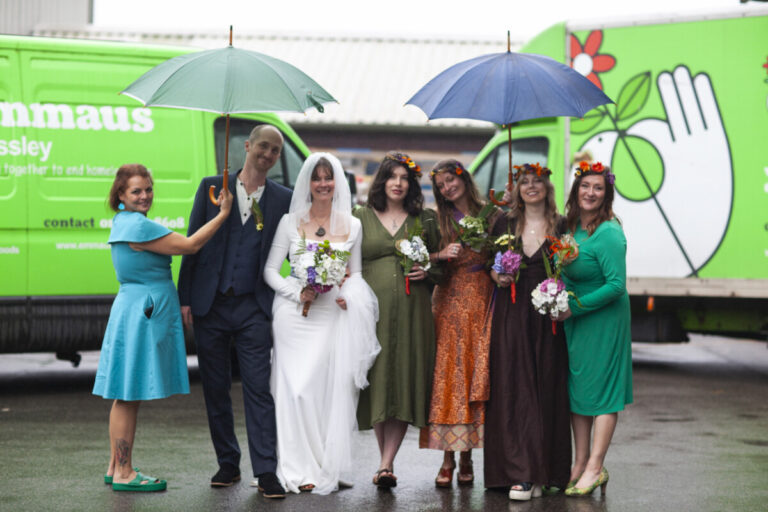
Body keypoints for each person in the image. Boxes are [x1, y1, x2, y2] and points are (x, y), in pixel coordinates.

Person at [94, 163, 232, 491]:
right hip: (142, 312)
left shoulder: (124, 221)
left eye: (148, 189)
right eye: (136, 191)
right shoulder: (139, 228)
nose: (144, 196)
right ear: (121, 196)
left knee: (124, 393)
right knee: (128, 394)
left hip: (132, 308)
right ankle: (125, 473)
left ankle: (117, 467)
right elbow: (191, 245)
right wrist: (223, 213)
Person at [177, 124, 291, 498]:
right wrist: (185, 297)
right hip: (210, 303)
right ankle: (228, 462)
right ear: (246, 146)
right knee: (215, 388)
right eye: (263, 146)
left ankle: (266, 470)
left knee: (259, 388)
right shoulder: (213, 186)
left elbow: (296, 246)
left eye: (275, 150)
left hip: (254, 307)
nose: (268, 154)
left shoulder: (283, 198)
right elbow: (193, 240)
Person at [264, 152, 380, 494]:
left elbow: (355, 274)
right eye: (317, 178)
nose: (323, 184)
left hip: (330, 314)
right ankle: (295, 467)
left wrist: (346, 291)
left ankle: (321, 463)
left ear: (338, 182)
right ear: (307, 183)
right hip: (291, 316)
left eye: (329, 177)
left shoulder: (353, 224)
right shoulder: (290, 221)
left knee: (322, 392)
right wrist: (296, 292)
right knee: (294, 391)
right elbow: (271, 270)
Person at [484, 163, 571, 500]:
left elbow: (571, 265)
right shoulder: (504, 222)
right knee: (513, 385)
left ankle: (544, 471)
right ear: (517, 188)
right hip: (512, 310)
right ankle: (517, 471)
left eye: (537, 181)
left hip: (547, 314)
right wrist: (498, 276)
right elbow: (489, 265)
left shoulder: (561, 225)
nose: (531, 186)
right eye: (525, 182)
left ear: (547, 188)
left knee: (546, 384)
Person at [354, 152, 441, 488]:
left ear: (411, 184)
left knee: (403, 380)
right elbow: (345, 258)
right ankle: (384, 460)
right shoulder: (359, 216)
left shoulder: (425, 220)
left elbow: (443, 267)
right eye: (392, 177)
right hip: (370, 314)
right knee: (378, 381)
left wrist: (429, 268)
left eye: (405, 178)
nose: (398, 183)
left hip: (411, 313)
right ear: (382, 181)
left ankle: (386, 463)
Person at [420, 159, 500, 487]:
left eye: (450, 181)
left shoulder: (491, 213)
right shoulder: (436, 219)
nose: (446, 188)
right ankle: (448, 458)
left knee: (475, 375)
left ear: (463, 178)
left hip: (482, 297)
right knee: (450, 377)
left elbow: (505, 249)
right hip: (449, 300)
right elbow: (418, 257)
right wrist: (440, 255)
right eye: (440, 186)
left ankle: (469, 457)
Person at [556, 161, 633, 497]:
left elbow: (616, 285)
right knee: (580, 393)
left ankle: (595, 467)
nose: (590, 192)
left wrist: (576, 307)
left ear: (607, 194)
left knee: (603, 394)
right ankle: (578, 463)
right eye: (585, 186)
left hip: (603, 319)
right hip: (576, 320)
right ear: (576, 190)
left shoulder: (609, 233)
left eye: (598, 188)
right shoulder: (571, 227)